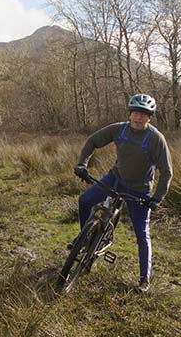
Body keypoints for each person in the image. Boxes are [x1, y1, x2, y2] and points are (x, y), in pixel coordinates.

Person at [72, 93, 173, 293]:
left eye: (143, 115)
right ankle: (86, 239)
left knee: (141, 233)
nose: (138, 118)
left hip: (140, 190)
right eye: (135, 113)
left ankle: (144, 280)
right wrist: (82, 163)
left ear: (149, 118)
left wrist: (156, 199)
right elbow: (93, 141)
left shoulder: (155, 139)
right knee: (85, 201)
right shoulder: (119, 130)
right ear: (129, 114)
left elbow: (167, 172)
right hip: (115, 179)